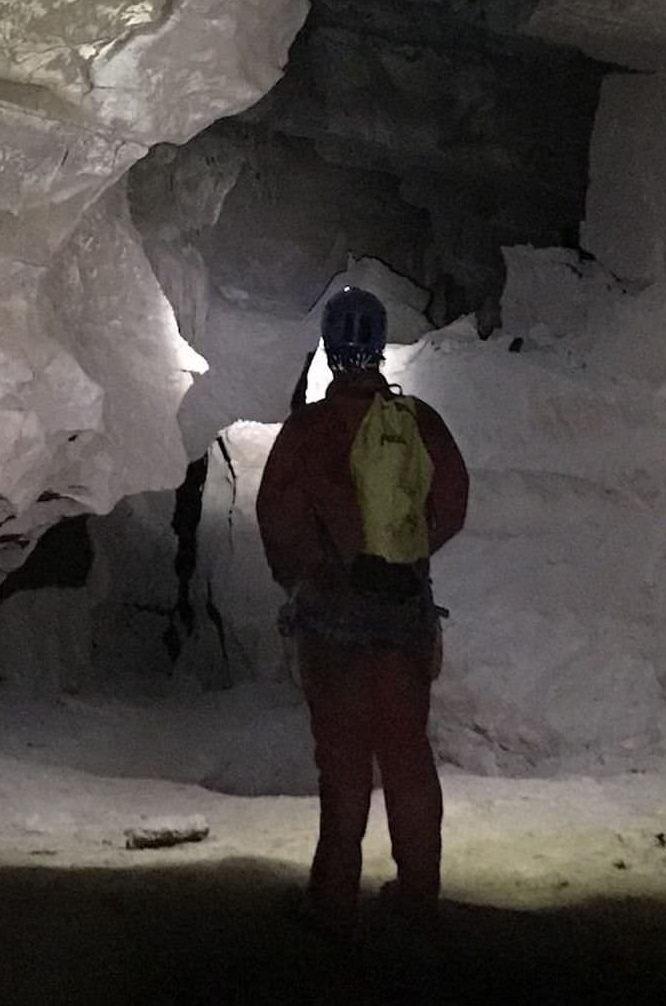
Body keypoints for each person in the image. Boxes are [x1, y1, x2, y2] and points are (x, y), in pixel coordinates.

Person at [257, 286, 470, 934]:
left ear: (328, 347)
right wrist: (405, 558)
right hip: (403, 619)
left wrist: (309, 576)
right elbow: (454, 503)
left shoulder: (307, 430)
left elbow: (278, 518)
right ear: (378, 347)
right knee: (408, 756)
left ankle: (334, 899)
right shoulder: (416, 421)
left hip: (332, 622)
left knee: (344, 761)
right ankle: (418, 894)